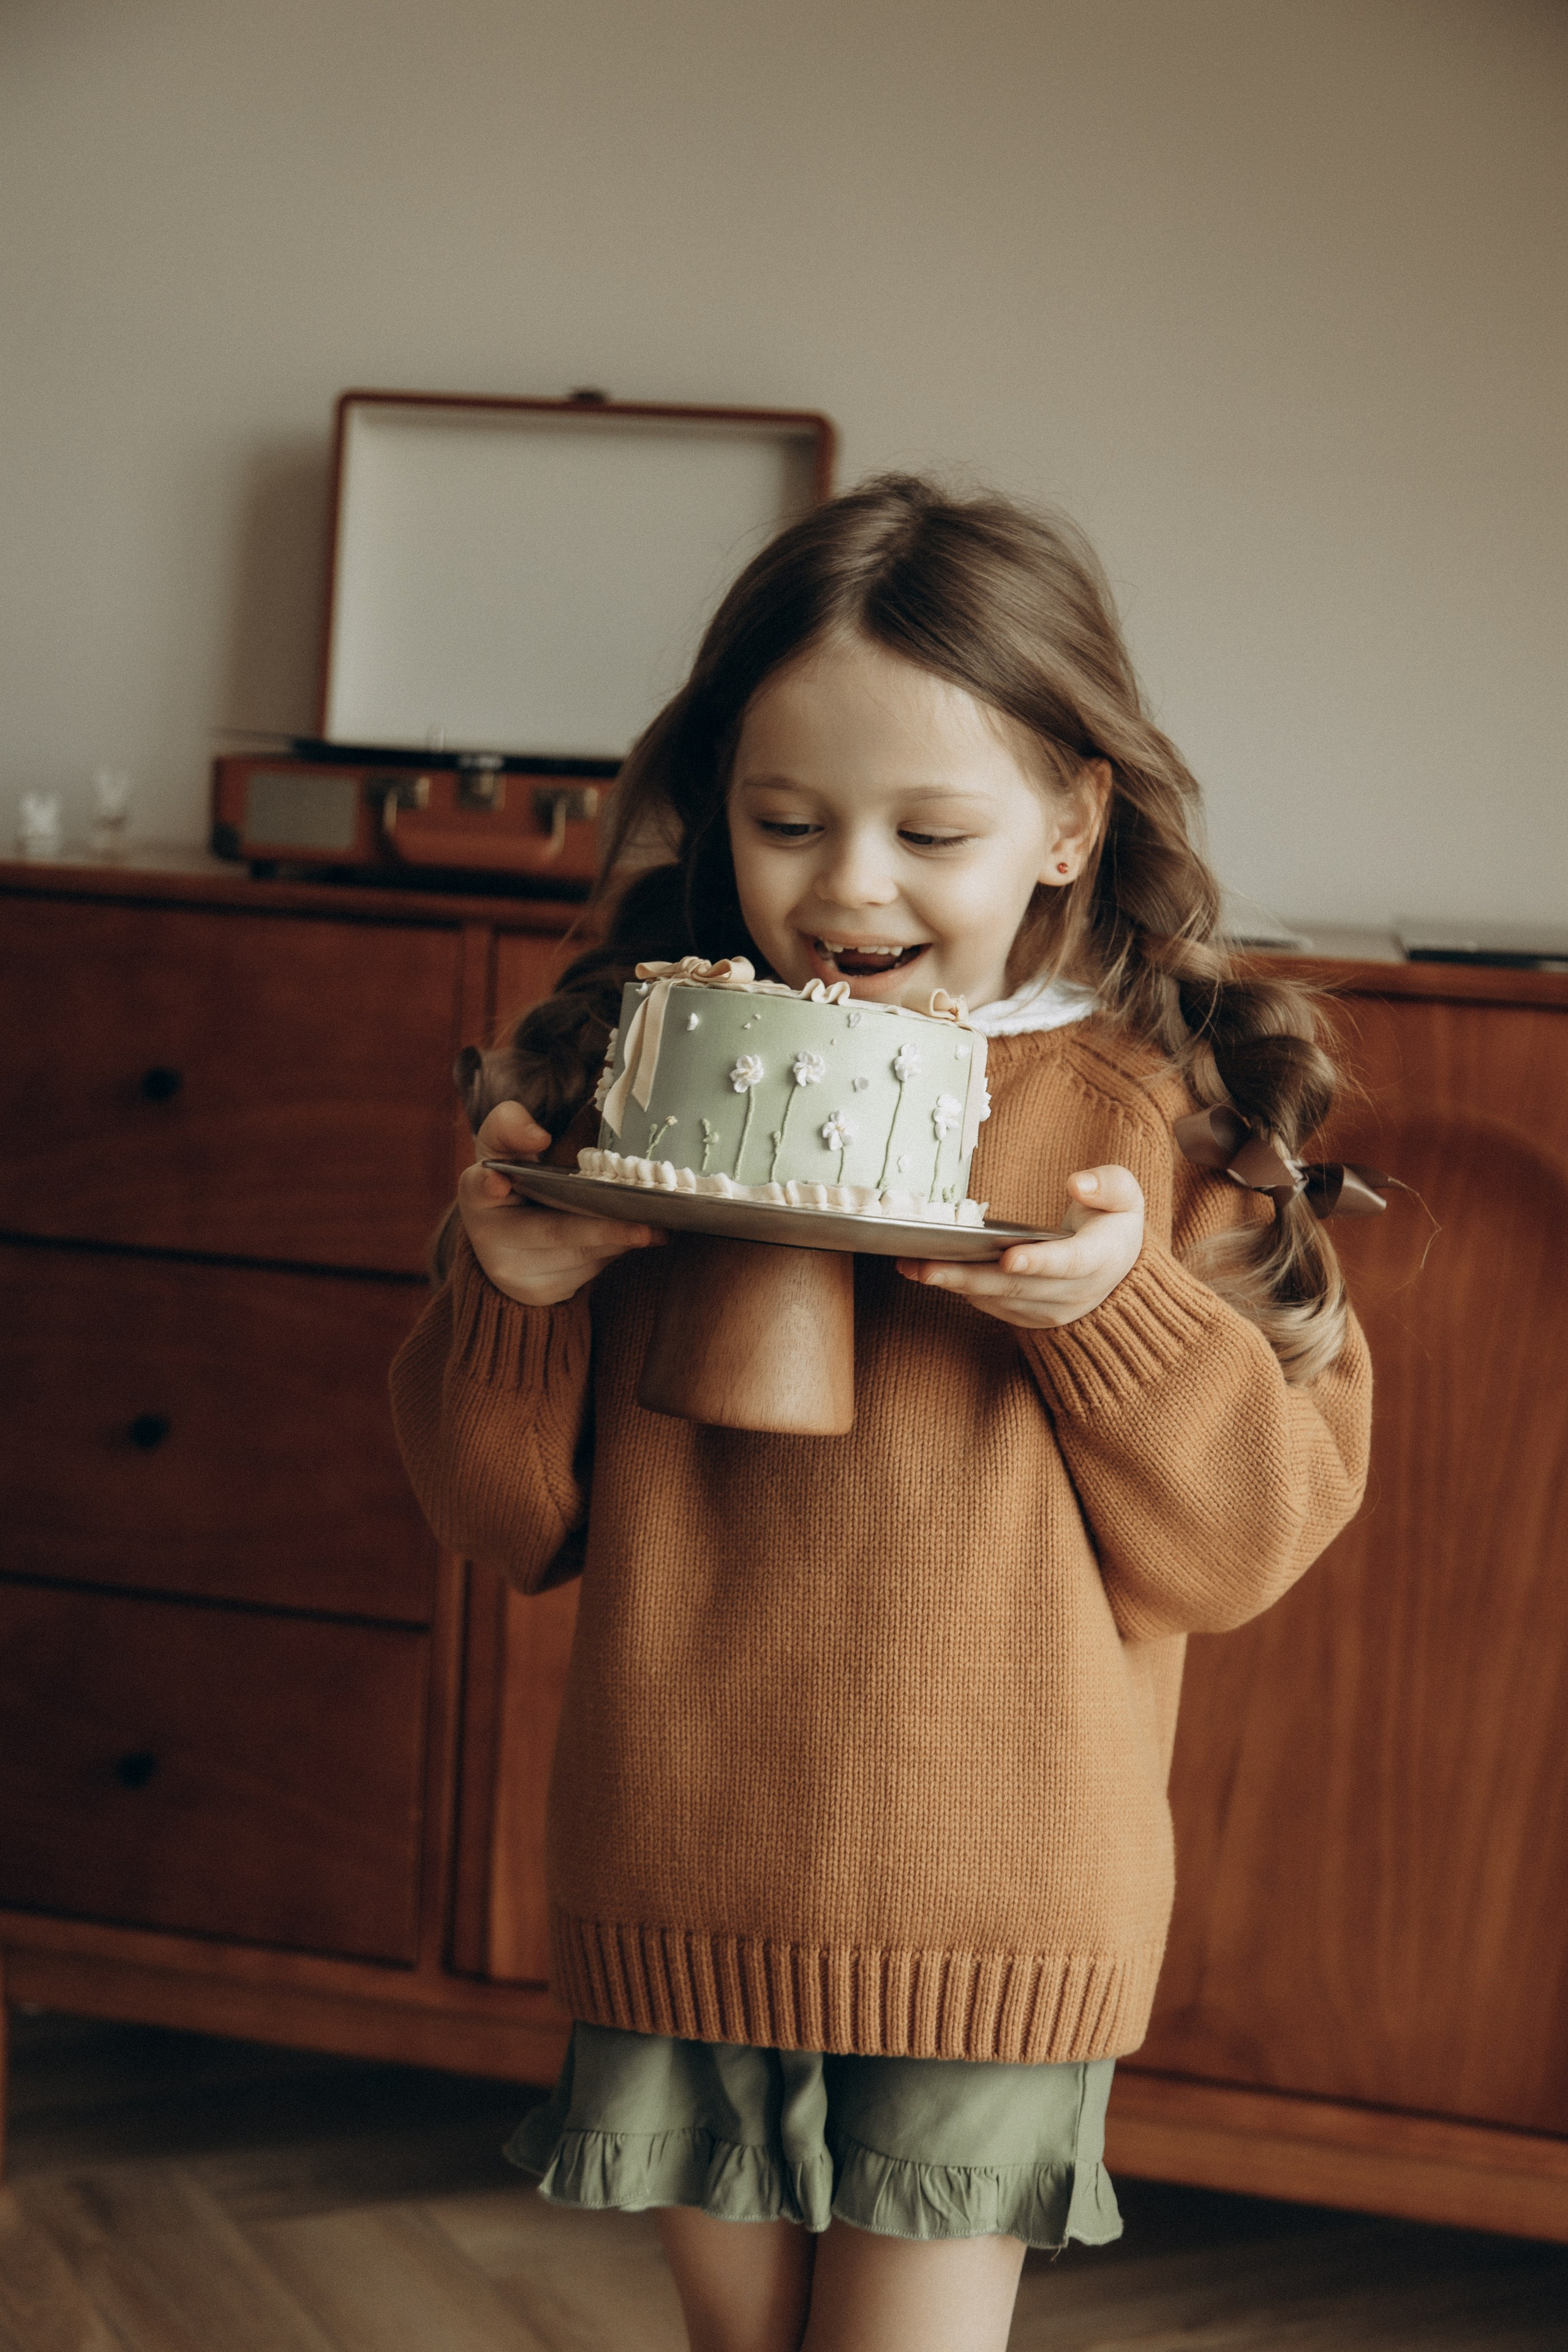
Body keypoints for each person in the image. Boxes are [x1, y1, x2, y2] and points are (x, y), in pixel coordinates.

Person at [391, 476, 1372, 2352]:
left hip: (1001, 1901)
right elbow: (509, 1523)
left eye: (932, 829)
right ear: (718, 814)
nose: (848, 885)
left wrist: (1123, 1319)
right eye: (785, 820)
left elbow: (1244, 1549)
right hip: (679, 1869)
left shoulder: (1168, 1118)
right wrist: (511, 1302)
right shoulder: (648, 1079)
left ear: (1075, 820)